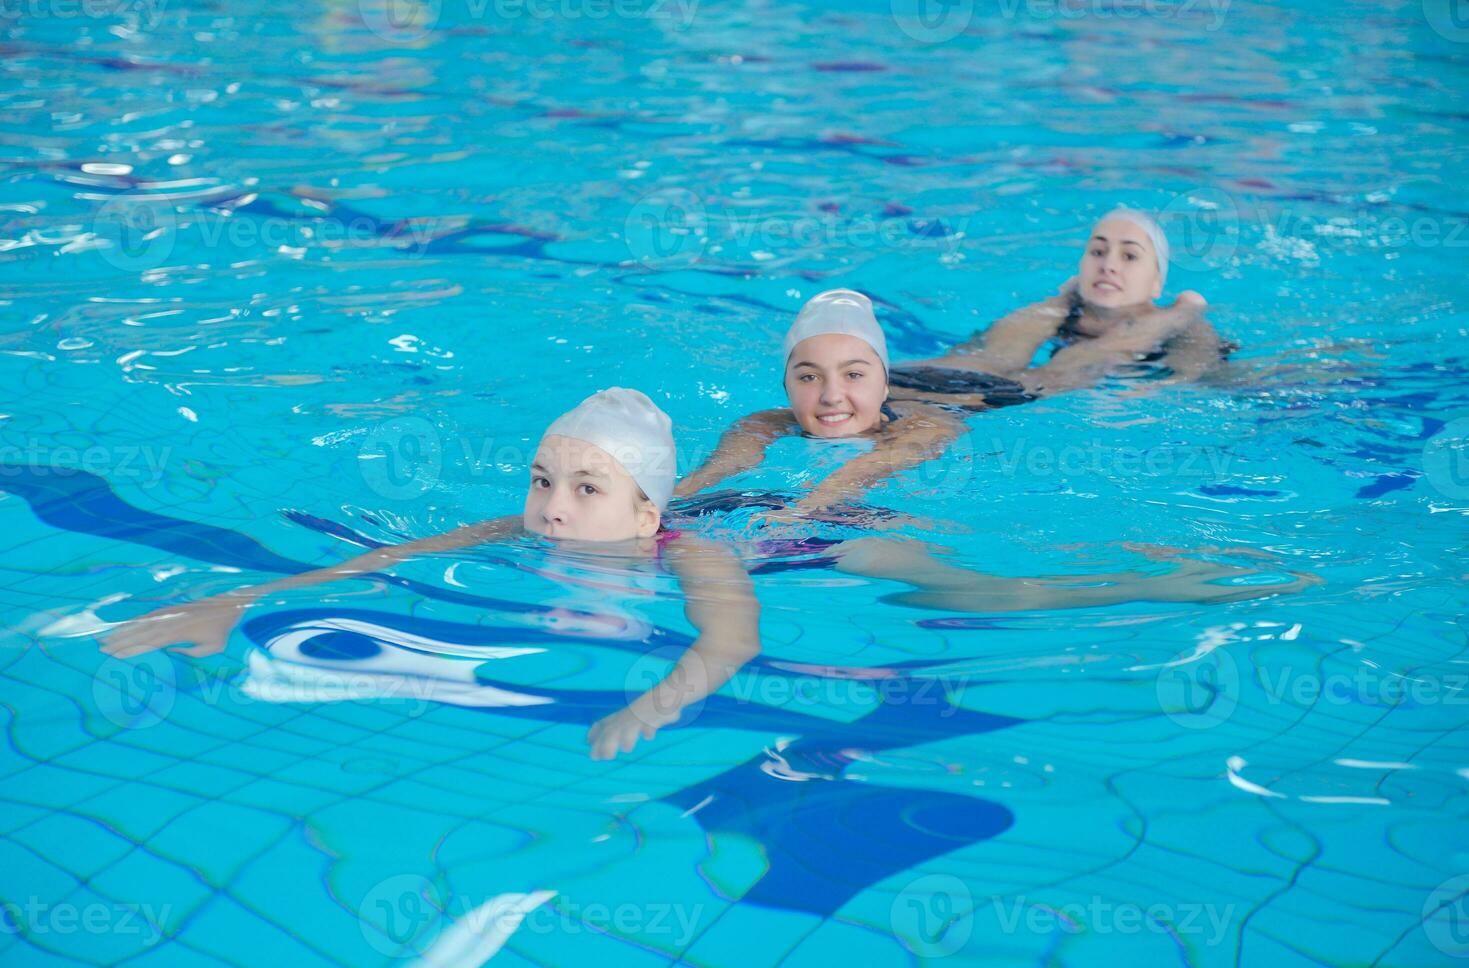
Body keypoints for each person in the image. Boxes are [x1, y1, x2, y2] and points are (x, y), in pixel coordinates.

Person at [101, 388, 763, 761]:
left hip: (783, 536)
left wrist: (651, 707)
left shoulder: (696, 556)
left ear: (645, 517)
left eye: (586, 490)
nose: (551, 510)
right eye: (541, 482)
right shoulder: (515, 529)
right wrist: (243, 599)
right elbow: (386, 558)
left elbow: (730, 641)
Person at [676, 211, 1224, 517]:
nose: (828, 396)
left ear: (1155, 278)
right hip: (930, 370)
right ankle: (1065, 301)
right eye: (1098, 250)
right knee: (995, 344)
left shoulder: (925, 426)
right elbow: (745, 437)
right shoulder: (798, 407)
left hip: (993, 391)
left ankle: (1174, 308)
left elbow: (869, 470)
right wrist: (684, 490)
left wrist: (806, 508)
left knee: (1085, 360)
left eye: (1129, 256)